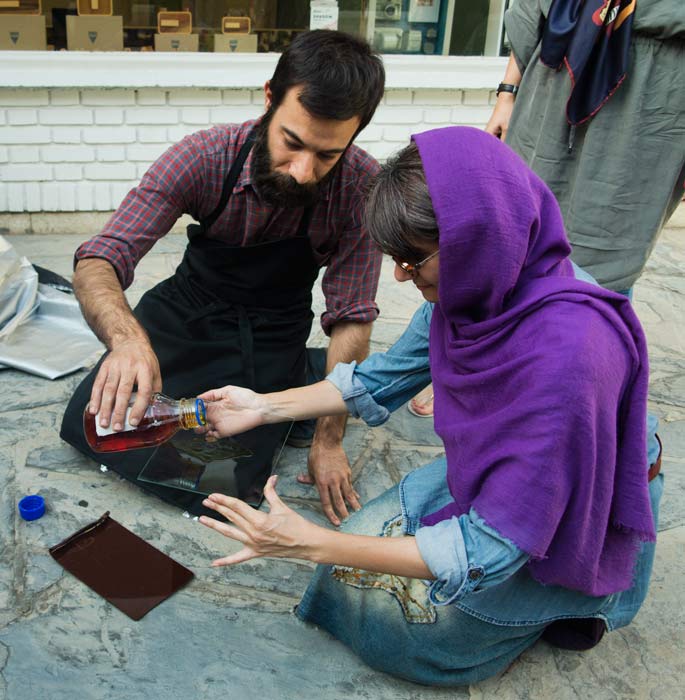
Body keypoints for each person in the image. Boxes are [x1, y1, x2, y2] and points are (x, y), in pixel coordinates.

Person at [196, 127, 663, 686]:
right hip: (510, 467)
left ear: (479, 236)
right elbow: (381, 378)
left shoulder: (570, 354)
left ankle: (565, 606)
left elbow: (492, 544)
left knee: (404, 630)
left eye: (413, 259)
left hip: (576, 500)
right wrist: (262, 406)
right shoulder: (482, 281)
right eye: (396, 257)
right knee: (347, 576)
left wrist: (310, 543)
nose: (399, 275)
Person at [59, 30, 386, 524]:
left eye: (327, 155)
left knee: (223, 478)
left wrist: (329, 439)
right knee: (93, 424)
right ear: (269, 98)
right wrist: (128, 342)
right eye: (292, 142)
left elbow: (352, 317)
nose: (303, 171)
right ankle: (307, 375)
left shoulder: (360, 189)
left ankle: (301, 376)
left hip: (272, 330)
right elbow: (99, 259)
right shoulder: (204, 157)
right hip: (186, 313)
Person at [485, 0, 685, 294]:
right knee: (511, 234)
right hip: (552, 81)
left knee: (603, 261)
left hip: (651, 98)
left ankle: (590, 319)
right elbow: (531, 9)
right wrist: (507, 94)